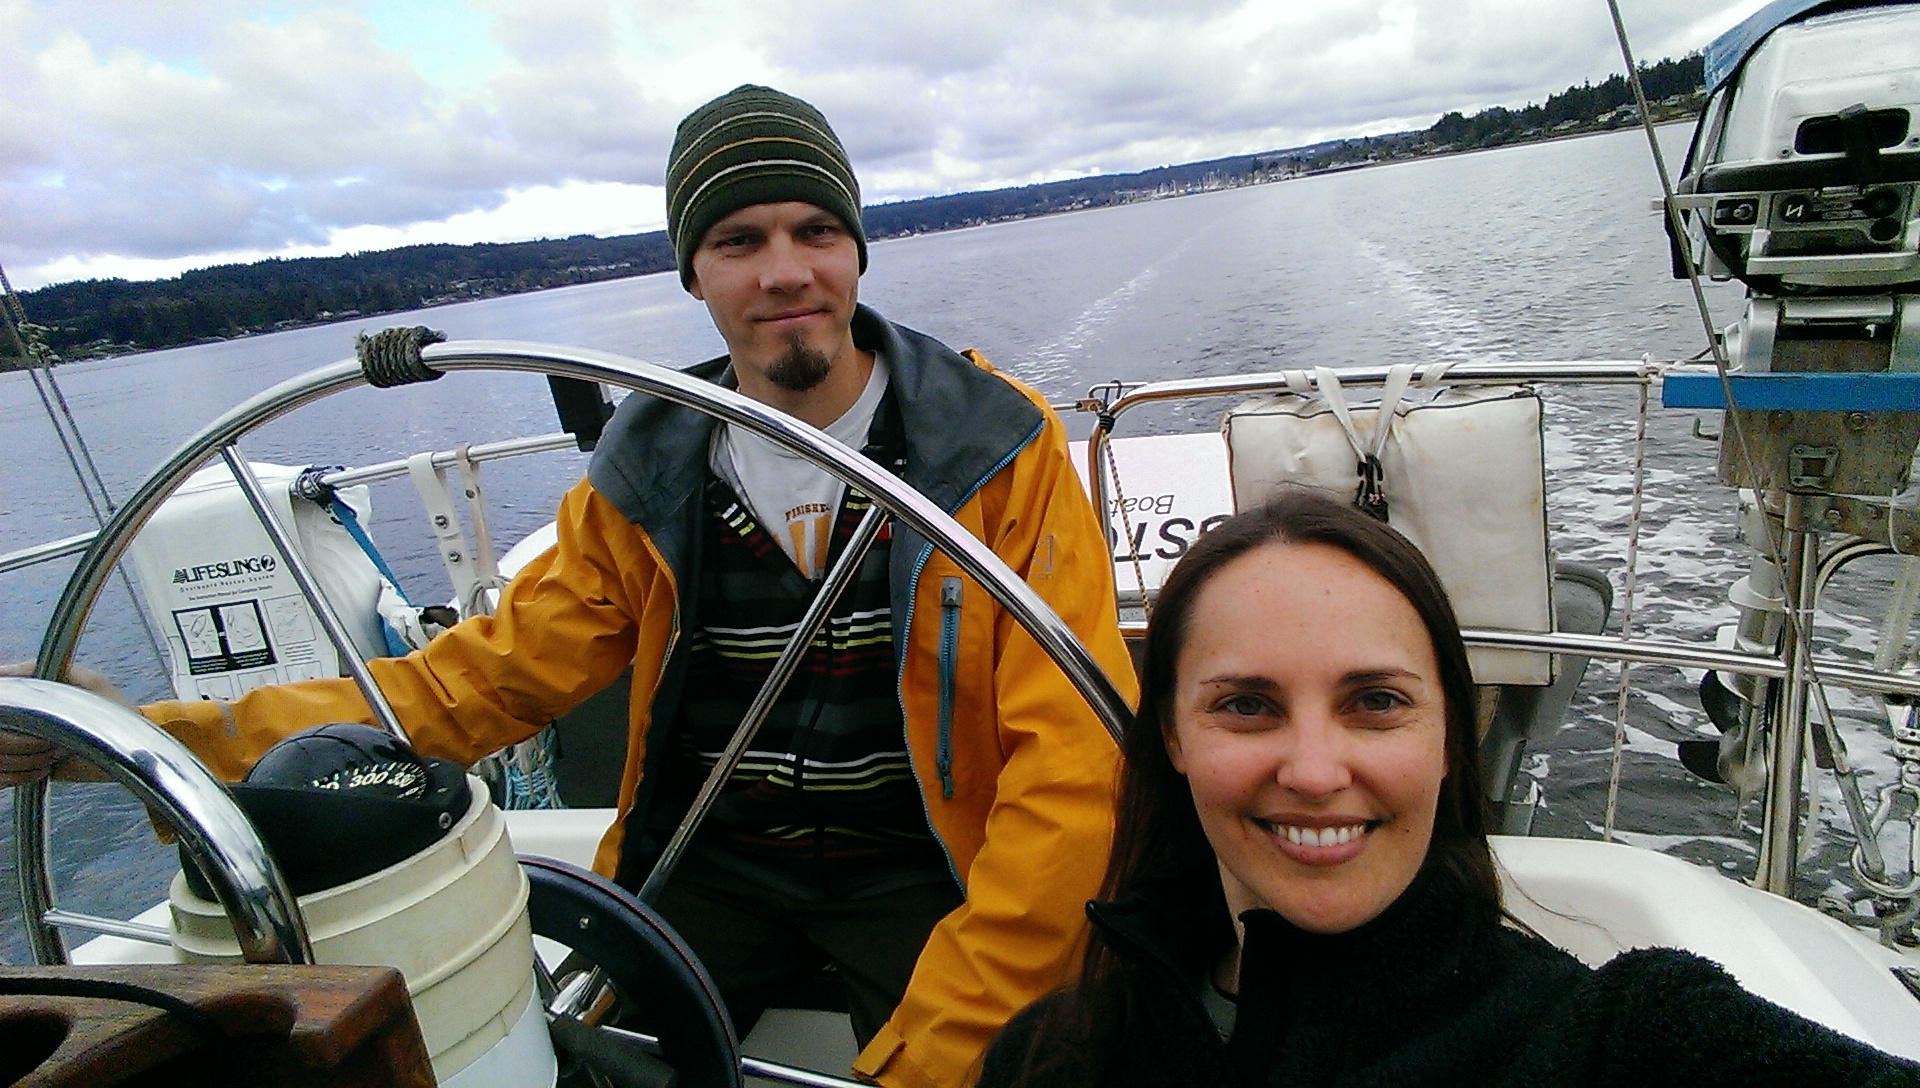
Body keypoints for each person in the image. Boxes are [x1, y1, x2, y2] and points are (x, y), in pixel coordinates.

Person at [1, 85, 1136, 1088]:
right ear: (692, 270)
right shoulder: (644, 475)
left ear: (857, 252)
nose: (785, 269)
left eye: (816, 229)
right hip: (710, 864)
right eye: (739, 239)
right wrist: (131, 736)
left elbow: (1072, 766)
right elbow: (470, 688)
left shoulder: (995, 449)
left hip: (926, 859)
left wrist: (936, 1055)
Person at [977, 488, 1919, 1088]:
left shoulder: (1617, 1039)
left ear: (1446, 740)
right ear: (1173, 738)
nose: (1312, 771)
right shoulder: (1046, 1059)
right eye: (1248, 705)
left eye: (1376, 701)